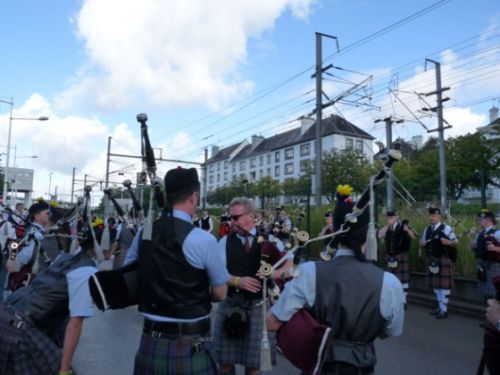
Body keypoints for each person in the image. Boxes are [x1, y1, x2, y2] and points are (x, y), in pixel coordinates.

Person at [267, 191, 404, 374]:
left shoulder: (309, 272)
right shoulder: (390, 283)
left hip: (318, 365)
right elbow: (390, 330)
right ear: (367, 232)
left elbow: (272, 323)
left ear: (336, 231)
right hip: (361, 366)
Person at [125, 167, 229, 375]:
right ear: (193, 197)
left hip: (150, 342)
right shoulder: (205, 240)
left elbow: (129, 274)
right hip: (191, 346)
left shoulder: (144, 234)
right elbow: (220, 293)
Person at [0, 216, 99, 375]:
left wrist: (13, 246)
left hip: (18, 310)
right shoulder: (34, 239)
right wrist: (13, 245)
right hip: (23, 320)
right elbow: (12, 267)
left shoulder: (37, 241)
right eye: (47, 213)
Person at [214, 197, 292, 375]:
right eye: (230, 217)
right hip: (230, 304)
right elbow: (217, 272)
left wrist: (272, 274)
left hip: (258, 306)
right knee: (224, 363)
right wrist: (237, 281)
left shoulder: (271, 241)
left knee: (254, 366)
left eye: (235, 217)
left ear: (250, 216)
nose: (231, 221)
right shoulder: (224, 242)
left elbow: (289, 267)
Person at [419, 207, 458, 319]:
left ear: (439, 216)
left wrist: (448, 242)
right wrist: (422, 243)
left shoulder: (446, 228)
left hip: (443, 259)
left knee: (444, 286)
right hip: (432, 259)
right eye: (430, 216)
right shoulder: (427, 229)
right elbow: (422, 242)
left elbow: (456, 242)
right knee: (436, 285)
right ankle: (440, 307)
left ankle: (444, 309)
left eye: (434, 216)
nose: (431, 218)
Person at [6, 202, 50, 292]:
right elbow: (15, 264)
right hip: (26, 286)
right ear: (37, 216)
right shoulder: (36, 234)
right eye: (47, 213)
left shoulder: (35, 231)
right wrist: (13, 253)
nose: (49, 216)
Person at [378, 211, 415, 306]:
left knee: (403, 280)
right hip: (390, 256)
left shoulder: (402, 226)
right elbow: (380, 235)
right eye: (388, 217)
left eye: (392, 217)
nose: (389, 219)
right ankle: (393, 300)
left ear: (396, 217)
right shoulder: (387, 228)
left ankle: (403, 301)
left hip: (400, 255)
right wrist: (387, 225)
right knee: (390, 279)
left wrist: (407, 230)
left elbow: (413, 237)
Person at [470, 209, 500, 300]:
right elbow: (472, 248)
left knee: (494, 294)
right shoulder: (479, 234)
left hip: (493, 266)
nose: (479, 221)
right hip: (482, 266)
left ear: (488, 220)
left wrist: (495, 248)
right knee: (486, 295)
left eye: (480, 219)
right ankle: (488, 313)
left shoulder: (497, 233)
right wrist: (471, 238)